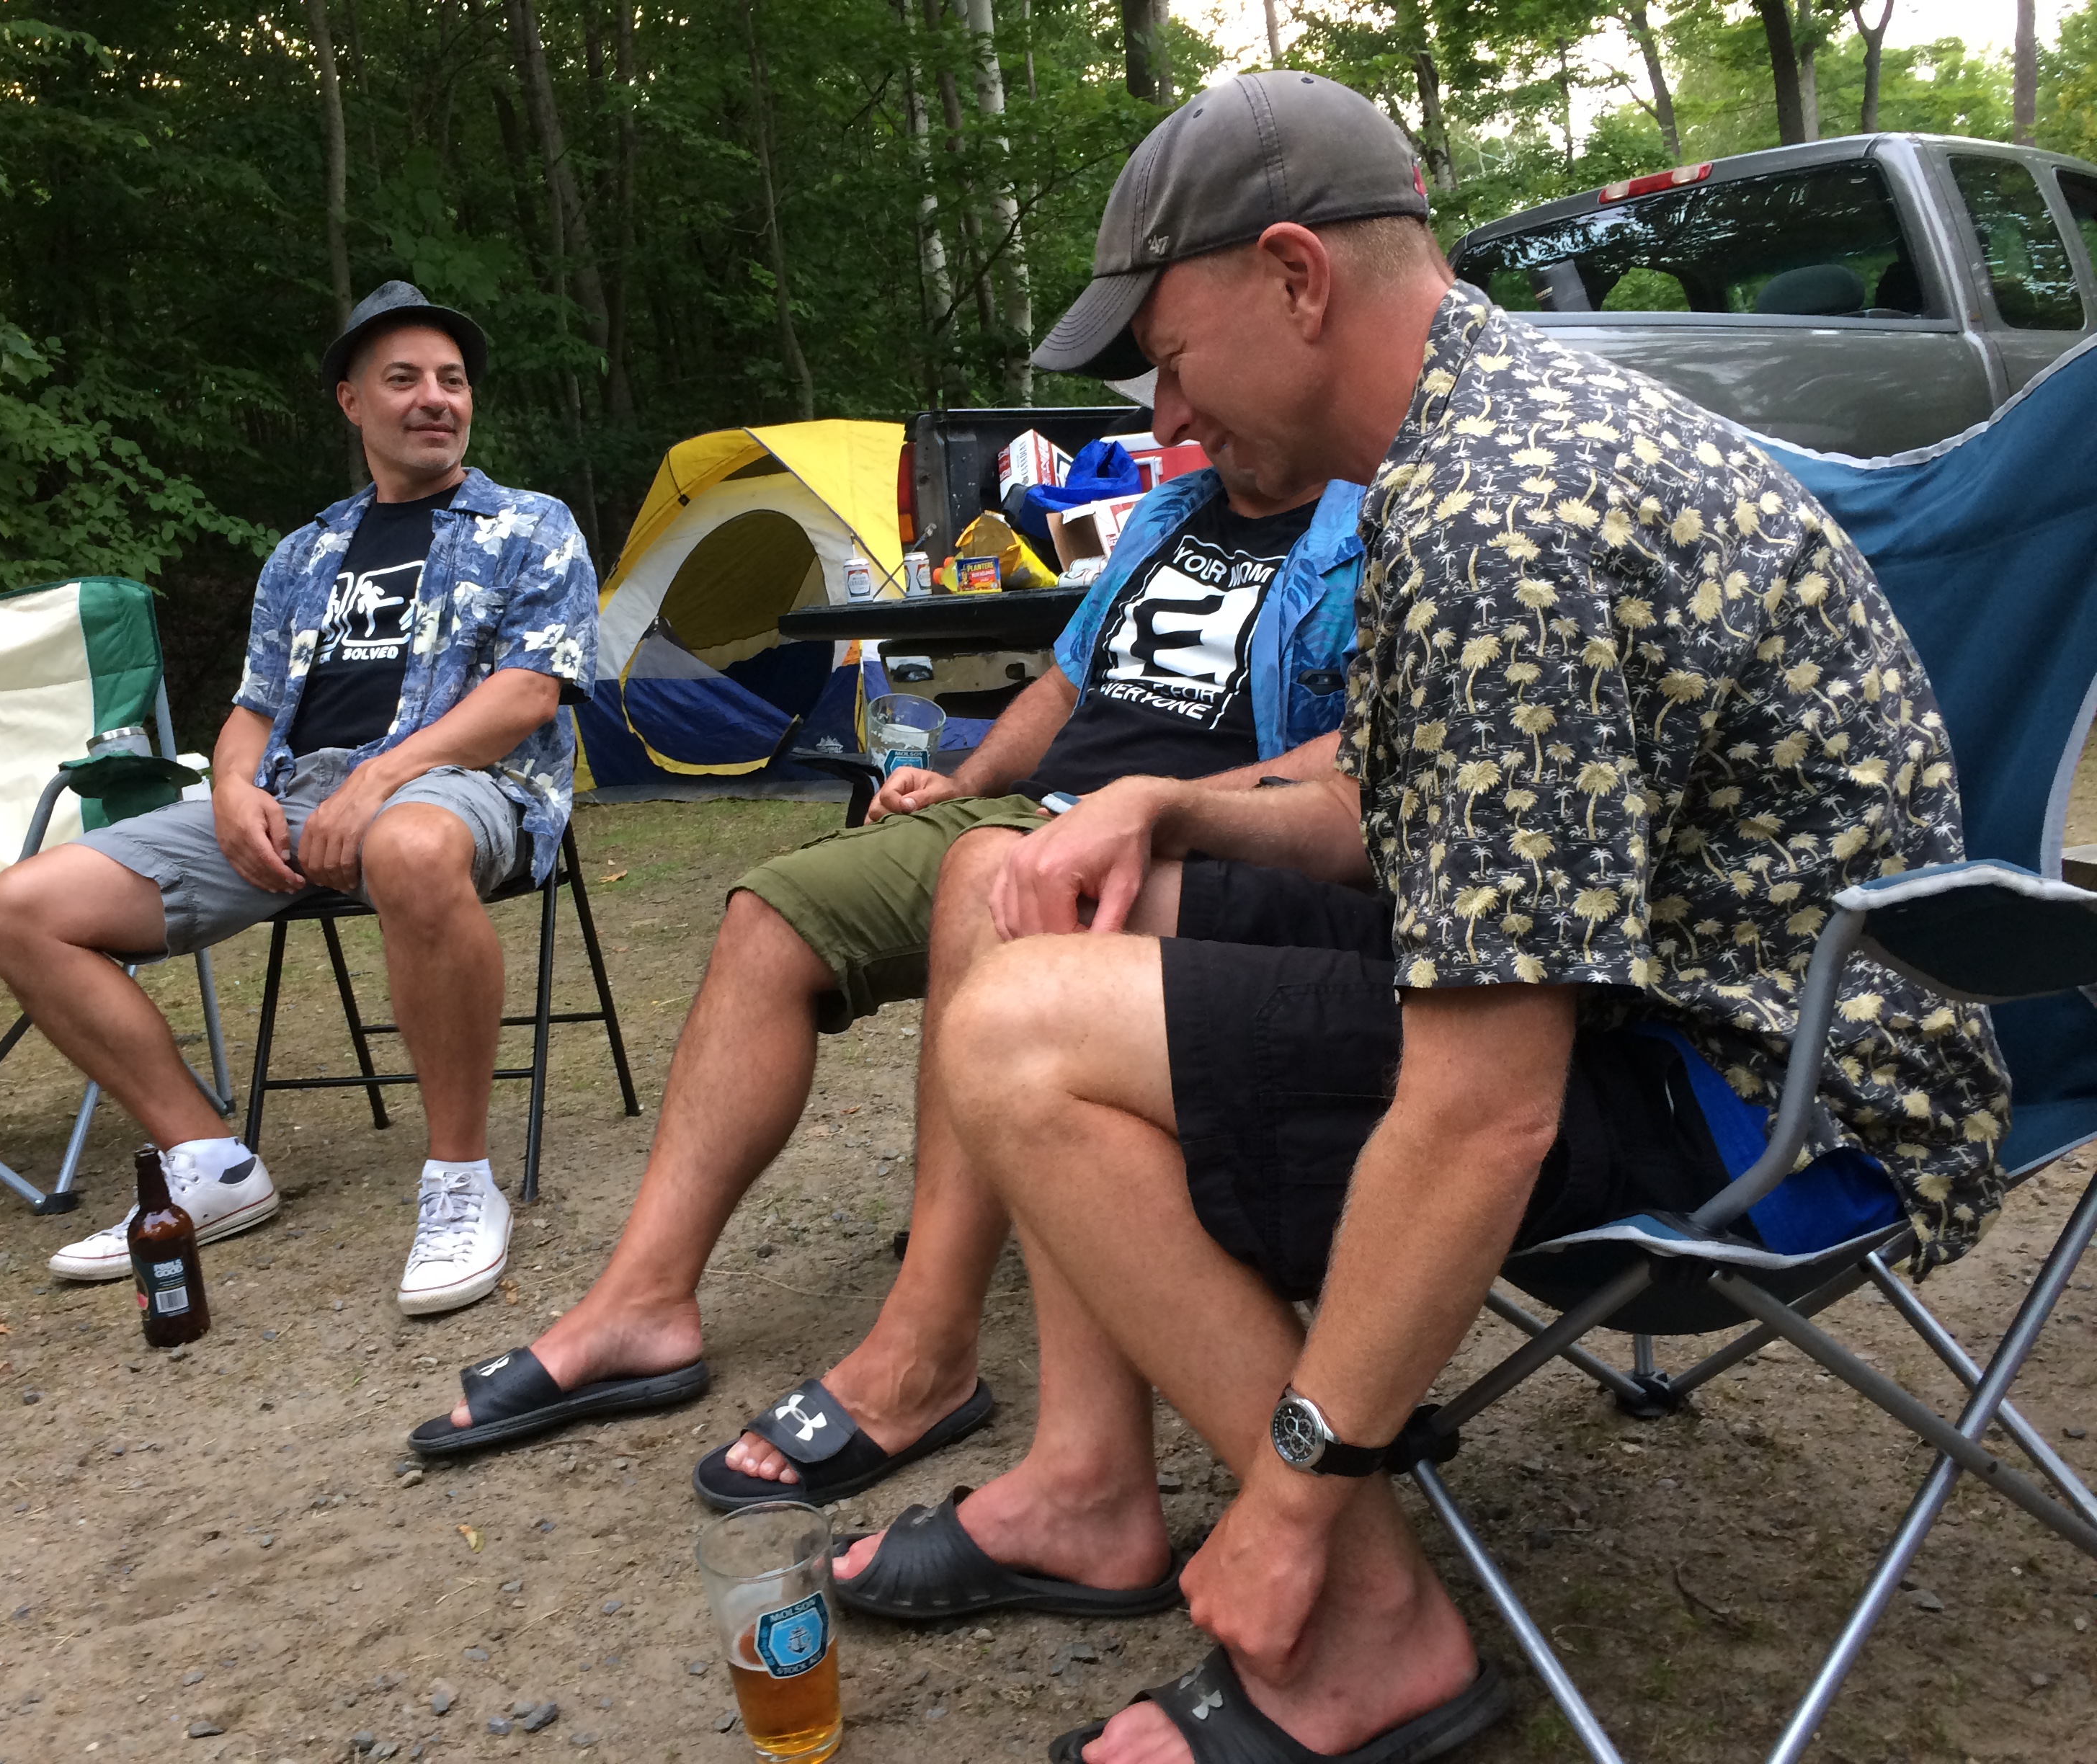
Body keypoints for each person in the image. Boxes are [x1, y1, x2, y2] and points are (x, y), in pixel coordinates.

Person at [827, 72, 2011, 1762]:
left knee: (1022, 1035)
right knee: (1051, 921)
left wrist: (1291, 1498)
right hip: (1682, 999)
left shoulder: (1489, 518)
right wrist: (1172, 802)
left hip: (1766, 1104)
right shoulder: (1487, 431)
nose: (1169, 418)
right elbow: (1415, 813)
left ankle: (1369, 1628)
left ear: (1296, 276)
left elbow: (1483, 1112)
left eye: (1171, 356)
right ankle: (1091, 1487)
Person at [407, 406, 1370, 1539]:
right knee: (773, 914)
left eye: (1184, 366)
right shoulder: (1169, 513)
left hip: (1196, 838)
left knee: (989, 879)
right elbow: (1065, 685)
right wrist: (969, 780)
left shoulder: (1374, 523)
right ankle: (641, 1305)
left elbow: (1372, 744)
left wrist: (1157, 810)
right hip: (1032, 811)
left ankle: (929, 1351)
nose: (1168, 414)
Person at [0, 281, 597, 1319]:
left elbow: (530, 691)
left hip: (471, 789)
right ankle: (209, 1162)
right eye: (403, 379)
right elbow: (255, 709)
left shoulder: (530, 525)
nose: (435, 398)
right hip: (298, 803)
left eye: (452, 380)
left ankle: (459, 1181)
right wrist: (230, 788)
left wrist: (380, 778)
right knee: (21, 910)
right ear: (352, 403)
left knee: (407, 846)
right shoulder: (306, 553)